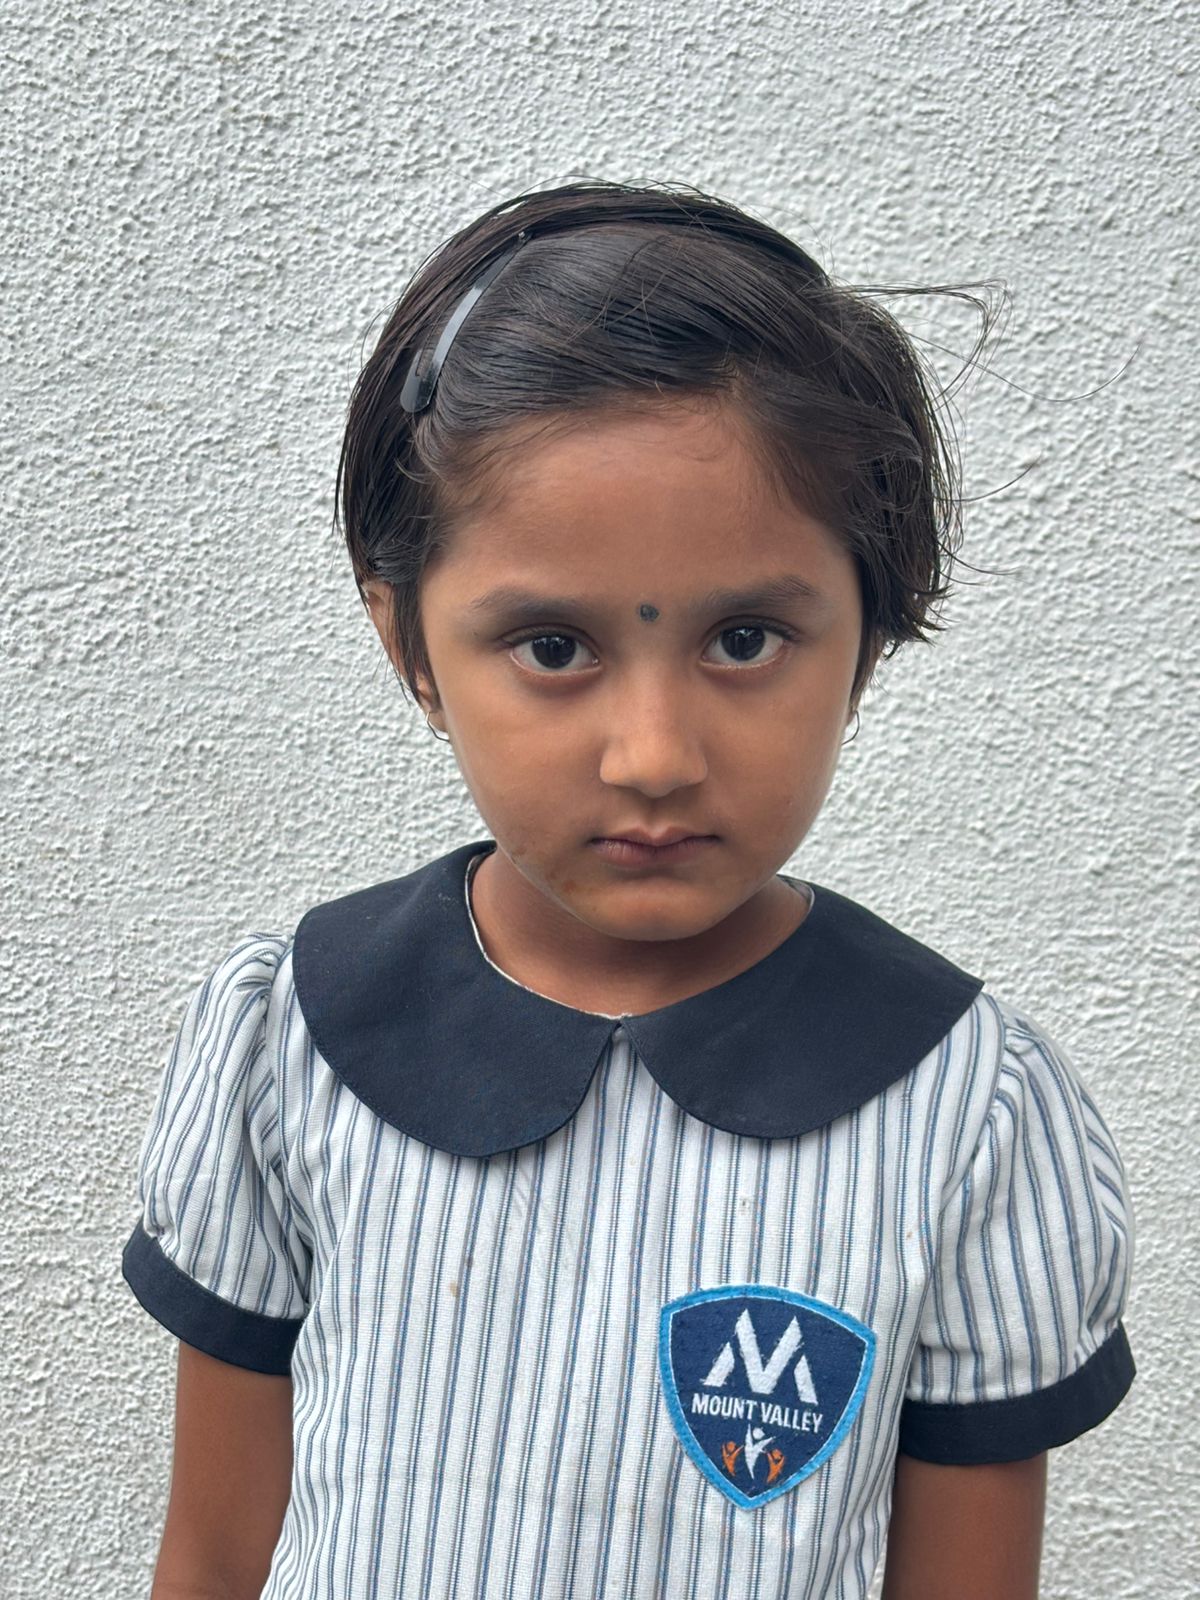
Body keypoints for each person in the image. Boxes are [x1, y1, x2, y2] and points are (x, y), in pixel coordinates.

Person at [121, 179, 1135, 1600]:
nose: (654, 756)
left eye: (745, 638)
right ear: (407, 641)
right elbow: (217, 1552)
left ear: (869, 630)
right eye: (552, 647)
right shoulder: (292, 1043)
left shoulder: (967, 1111)